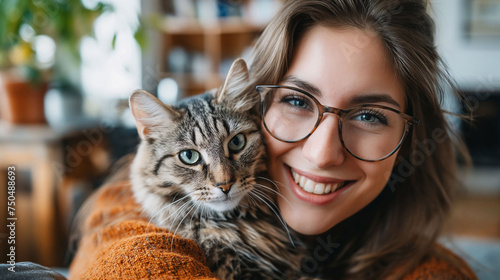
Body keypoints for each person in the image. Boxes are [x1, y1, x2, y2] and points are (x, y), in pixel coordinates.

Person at [67, 0, 476, 279]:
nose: (322, 153)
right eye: (298, 100)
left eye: (369, 115)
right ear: (258, 103)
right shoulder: (129, 224)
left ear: (411, 137)